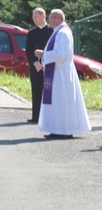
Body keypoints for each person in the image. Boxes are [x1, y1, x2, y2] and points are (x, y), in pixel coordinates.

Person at [35, 9, 91, 138]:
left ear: (58, 19)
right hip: (56, 71)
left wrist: (43, 54)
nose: (48, 20)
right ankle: (57, 128)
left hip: (62, 73)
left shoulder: (63, 33)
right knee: (56, 101)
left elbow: (60, 55)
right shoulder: (58, 32)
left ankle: (64, 130)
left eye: (51, 18)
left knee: (62, 101)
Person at [26, 8, 53, 123]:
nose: (34, 19)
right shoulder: (31, 33)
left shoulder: (51, 31)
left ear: (43, 16)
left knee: (49, 90)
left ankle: (49, 116)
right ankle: (36, 116)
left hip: (50, 66)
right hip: (36, 67)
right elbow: (28, 50)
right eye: (33, 17)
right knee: (36, 90)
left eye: (35, 17)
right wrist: (35, 62)